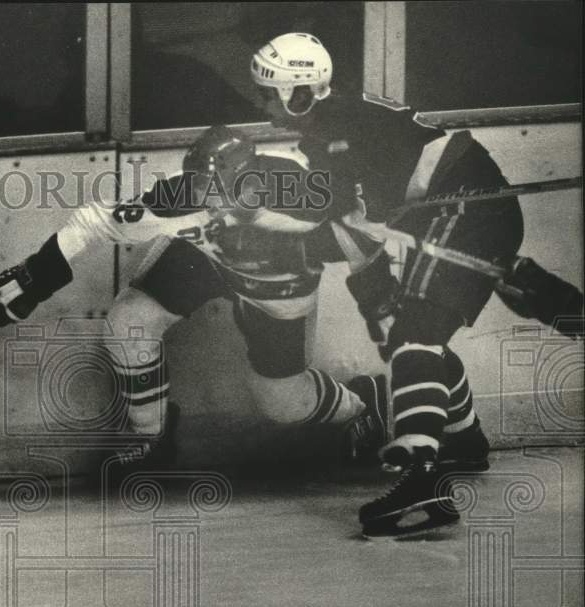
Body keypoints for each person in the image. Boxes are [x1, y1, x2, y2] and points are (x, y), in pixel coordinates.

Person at [248, 32, 581, 538]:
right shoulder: (335, 126)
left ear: (300, 94)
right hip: (456, 210)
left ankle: (423, 480)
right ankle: (464, 440)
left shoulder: (336, 131)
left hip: (463, 204)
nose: (264, 103)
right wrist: (375, 300)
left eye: (271, 93)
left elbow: (342, 221)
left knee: (414, 336)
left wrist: (270, 233)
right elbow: (359, 229)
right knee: (413, 332)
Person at [0, 125, 388, 472]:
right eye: (199, 187)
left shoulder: (304, 194)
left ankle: (361, 405)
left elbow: (369, 240)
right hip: (202, 260)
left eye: (220, 190)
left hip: (275, 285)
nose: (209, 201)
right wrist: (33, 281)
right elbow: (92, 222)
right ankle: (150, 437)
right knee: (129, 322)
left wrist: (382, 307)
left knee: (282, 403)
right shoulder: (179, 197)